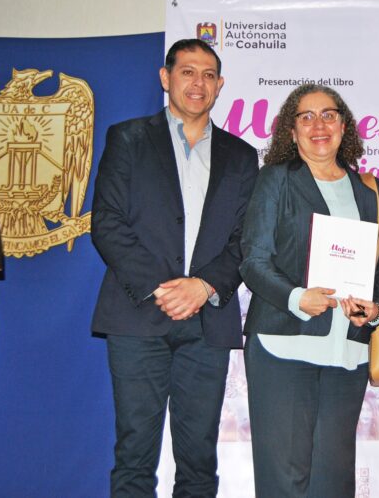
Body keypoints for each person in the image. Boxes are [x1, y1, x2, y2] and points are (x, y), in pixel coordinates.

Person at [90, 38, 258, 497]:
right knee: (134, 458)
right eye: (187, 71)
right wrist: (164, 288)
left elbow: (247, 241)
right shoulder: (126, 138)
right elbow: (106, 223)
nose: (197, 83)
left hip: (208, 323)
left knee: (200, 461)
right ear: (166, 78)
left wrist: (203, 286)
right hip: (137, 316)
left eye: (207, 74)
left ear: (220, 85)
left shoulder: (242, 157)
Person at [240, 84, 379, 497]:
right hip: (283, 348)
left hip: (346, 353)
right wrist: (297, 298)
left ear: (344, 126)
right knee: (284, 484)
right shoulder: (274, 180)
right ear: (291, 133)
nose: (318, 125)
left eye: (328, 114)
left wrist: (376, 307)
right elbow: (253, 260)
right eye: (306, 117)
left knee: (332, 484)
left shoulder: (370, 189)